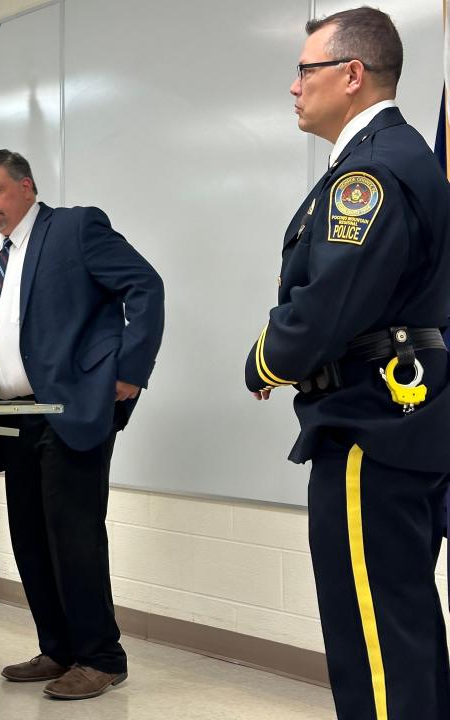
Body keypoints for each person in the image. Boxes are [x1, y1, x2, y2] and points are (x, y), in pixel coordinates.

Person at [245, 8, 450, 718]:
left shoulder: (372, 173)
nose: (295, 87)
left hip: (368, 426)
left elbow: (329, 301)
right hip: (403, 421)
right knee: (403, 624)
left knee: (374, 641)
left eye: (307, 70)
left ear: (352, 75)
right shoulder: (403, 157)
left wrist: (266, 360)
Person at [0, 149, 164, 700]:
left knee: (72, 537)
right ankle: (57, 649)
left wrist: (129, 370)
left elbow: (145, 287)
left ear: (26, 186)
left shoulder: (76, 227)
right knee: (28, 538)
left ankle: (101, 657)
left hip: (71, 410)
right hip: (14, 419)